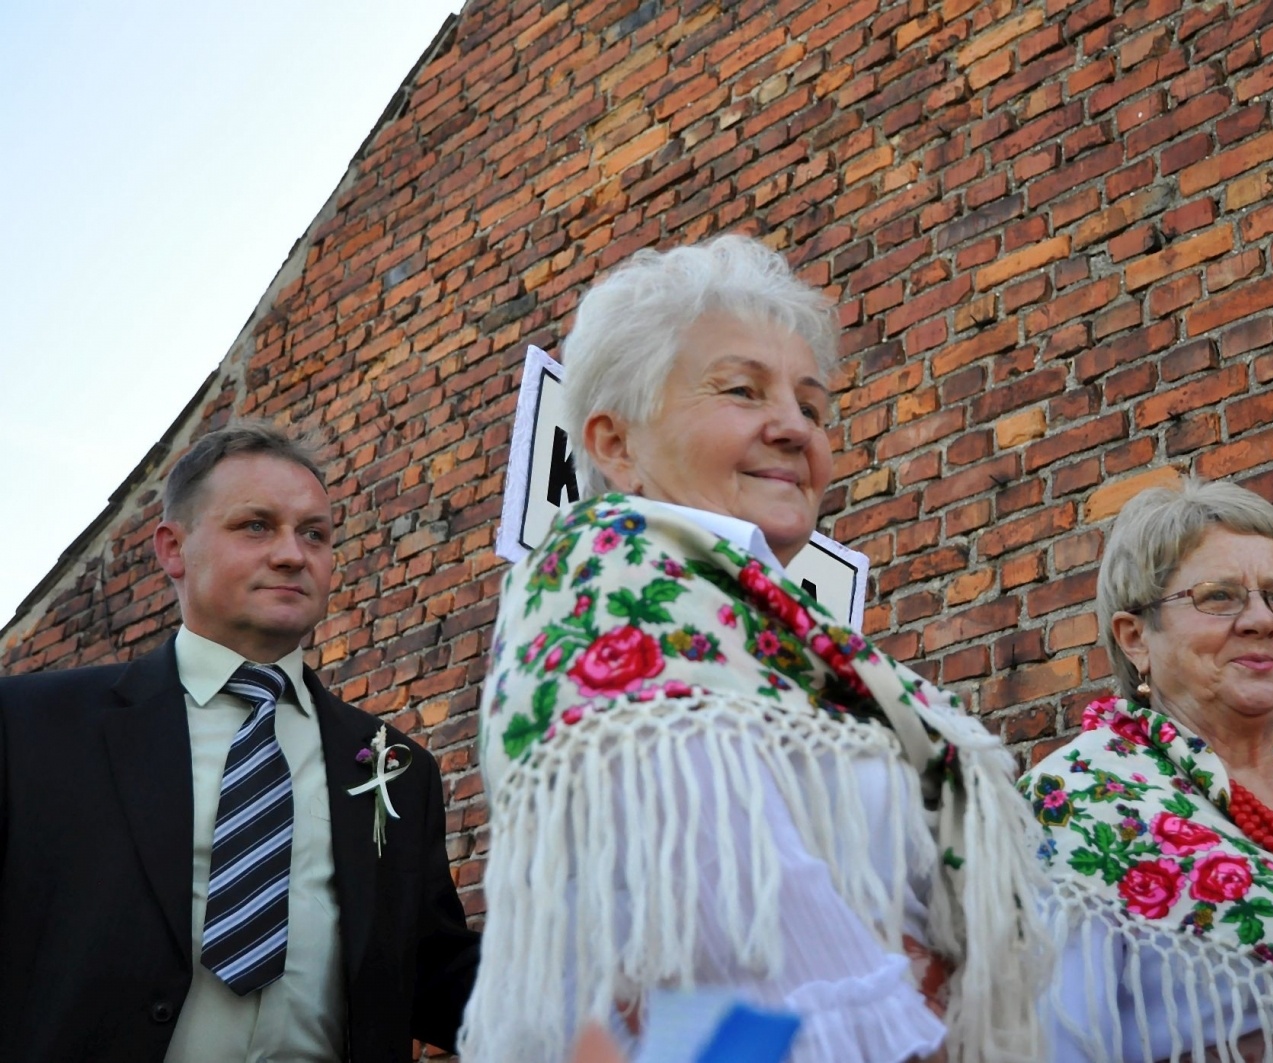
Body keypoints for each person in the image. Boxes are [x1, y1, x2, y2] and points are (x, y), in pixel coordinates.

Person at [459, 234, 1046, 1063]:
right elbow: (738, 926)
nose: (793, 429)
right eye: (742, 390)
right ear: (613, 441)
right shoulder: (607, 579)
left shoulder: (792, 644)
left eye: (813, 407)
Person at [0, 422, 480, 1063]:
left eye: (314, 534)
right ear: (173, 548)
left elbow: (432, 973)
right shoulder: (33, 727)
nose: (291, 554)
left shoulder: (396, 765)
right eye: (256, 525)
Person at [1019, 478, 1273, 1062]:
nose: (1262, 620)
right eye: (1219, 596)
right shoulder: (1079, 798)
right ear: (1136, 639)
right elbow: (1044, 1046)